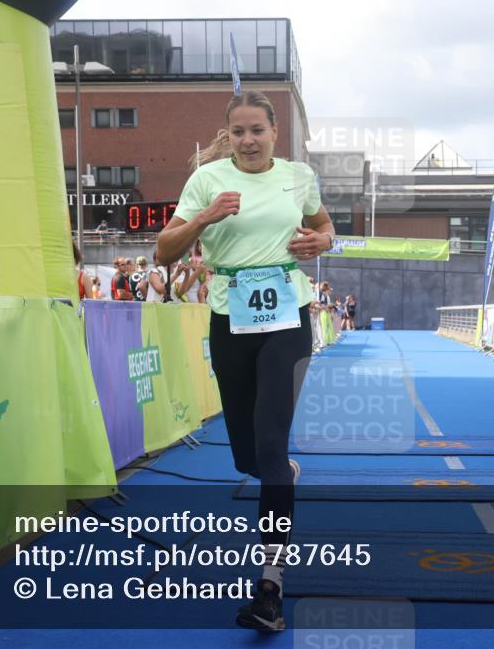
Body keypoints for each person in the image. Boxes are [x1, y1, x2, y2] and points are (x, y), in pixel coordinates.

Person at [155, 90, 335, 632]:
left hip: (287, 315)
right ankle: (278, 473)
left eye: (257, 130)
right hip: (230, 317)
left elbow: (325, 228)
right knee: (247, 459)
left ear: (274, 132)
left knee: (272, 445)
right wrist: (206, 217)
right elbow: (163, 251)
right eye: (238, 132)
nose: (248, 140)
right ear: (227, 136)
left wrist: (319, 242)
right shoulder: (206, 181)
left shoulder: (298, 176)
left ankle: (270, 586)